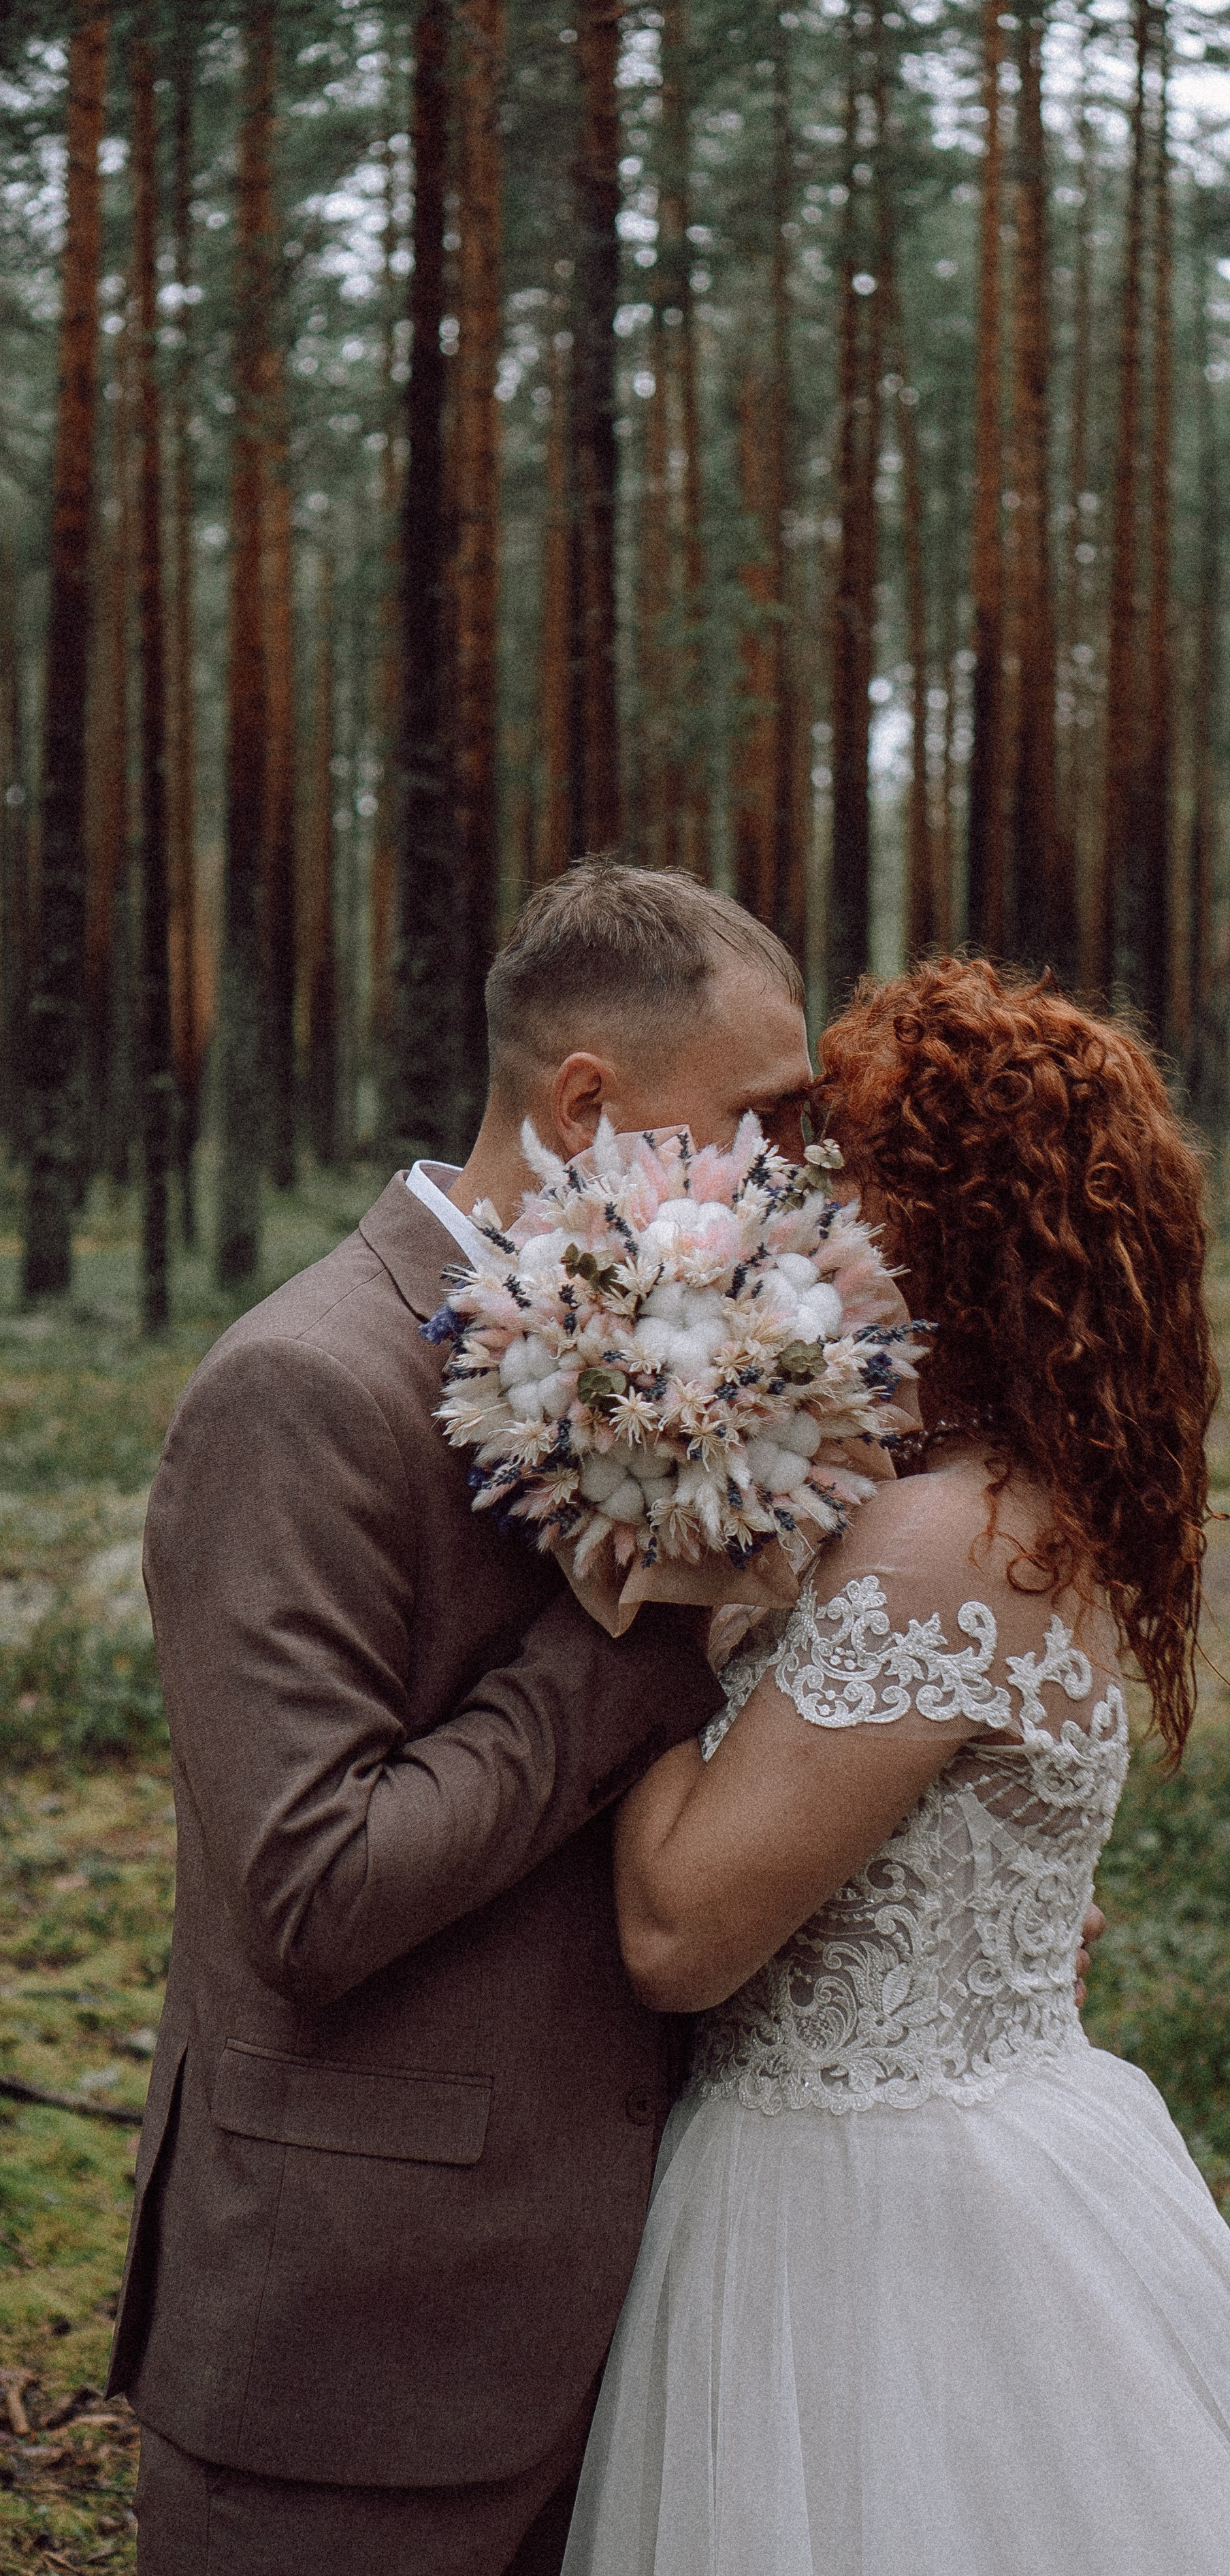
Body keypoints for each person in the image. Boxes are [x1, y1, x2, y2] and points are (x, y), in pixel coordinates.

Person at [564, 959, 1230, 2576]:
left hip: (873, 2221)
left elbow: (675, 1935)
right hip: (960, 2149)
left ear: (954, 1230)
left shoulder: (942, 1540)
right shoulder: (979, 1500)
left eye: (852, 1179)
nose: (801, 1221)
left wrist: (629, 1618)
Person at [110, 864, 820, 2576]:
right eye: (753, 1120)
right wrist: (643, 1646)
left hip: (643, 2328)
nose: (781, 1175)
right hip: (353, 2358)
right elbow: (311, 1891)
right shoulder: (304, 1390)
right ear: (588, 1104)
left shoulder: (696, 1359)